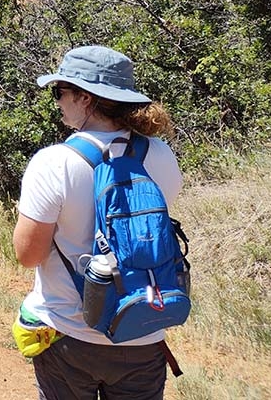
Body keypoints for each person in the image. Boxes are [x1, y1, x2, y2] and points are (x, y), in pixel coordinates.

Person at [13, 45, 183, 400]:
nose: (57, 101)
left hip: (70, 338)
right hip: (144, 331)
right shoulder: (161, 154)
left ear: (85, 98)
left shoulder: (54, 163)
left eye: (60, 92)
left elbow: (28, 255)